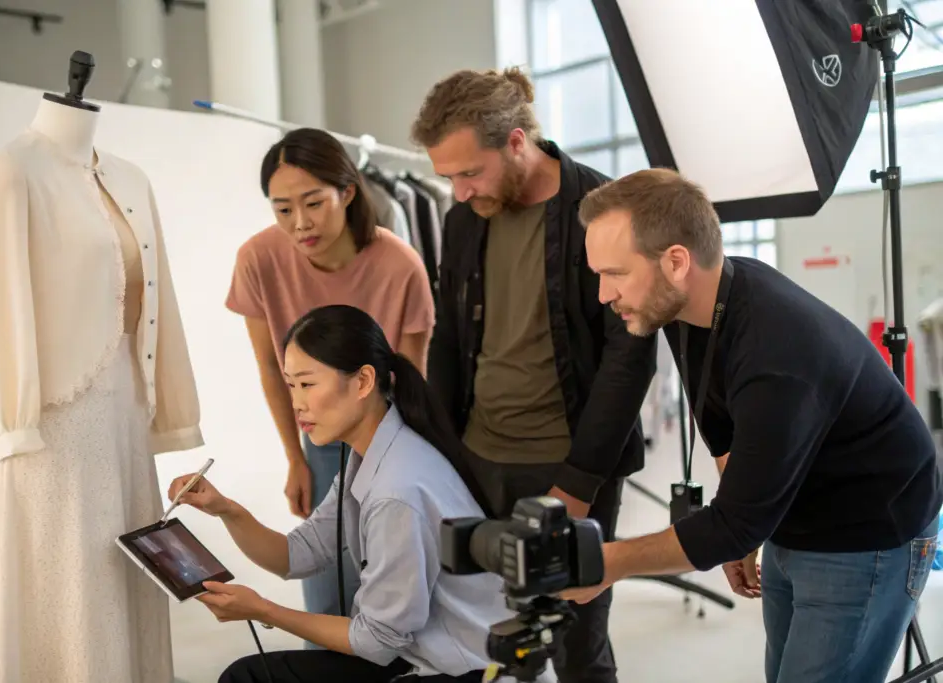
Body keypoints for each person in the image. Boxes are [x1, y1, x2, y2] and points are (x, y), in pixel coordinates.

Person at [566, 167, 943, 683]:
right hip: (795, 512)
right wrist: (741, 534)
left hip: (869, 532)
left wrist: (609, 562)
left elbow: (733, 523)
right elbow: (725, 433)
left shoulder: (775, 350)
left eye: (614, 273)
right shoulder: (691, 306)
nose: (603, 294)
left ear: (676, 262)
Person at [409, 66, 657, 683]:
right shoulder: (463, 219)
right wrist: (440, 453)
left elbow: (630, 358)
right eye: (448, 177)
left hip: (568, 465)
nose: (459, 192)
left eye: (471, 172)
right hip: (480, 456)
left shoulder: (602, 210)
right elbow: (449, 338)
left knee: (575, 646)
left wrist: (579, 483)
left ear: (517, 141)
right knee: (484, 634)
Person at [167, 305, 508, 683]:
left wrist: (264, 610)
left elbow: (377, 641)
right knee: (248, 675)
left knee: (248, 678)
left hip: (468, 672)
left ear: (363, 381)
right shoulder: (372, 456)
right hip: (420, 656)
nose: (297, 403)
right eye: (291, 385)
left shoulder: (397, 490)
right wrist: (226, 509)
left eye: (308, 384)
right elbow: (296, 555)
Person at [225, 128, 435, 628]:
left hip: (388, 437)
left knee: (391, 592)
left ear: (348, 192)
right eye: (283, 209)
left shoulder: (401, 265)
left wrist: (405, 470)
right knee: (326, 591)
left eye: (314, 203)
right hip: (319, 438)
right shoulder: (258, 259)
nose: (300, 223)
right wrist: (295, 458)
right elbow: (272, 369)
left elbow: (413, 382)